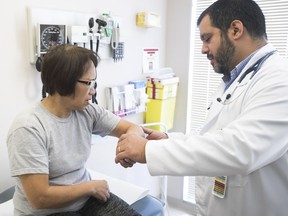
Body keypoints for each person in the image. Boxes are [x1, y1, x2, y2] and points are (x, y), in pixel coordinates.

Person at [115, 0, 288, 215]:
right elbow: (215, 135)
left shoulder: (280, 80)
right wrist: (169, 140)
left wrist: (147, 150)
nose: (203, 49)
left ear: (235, 29)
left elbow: (241, 149)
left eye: (207, 38)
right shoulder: (235, 79)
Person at [7, 44, 163, 216]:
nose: (93, 91)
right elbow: (39, 198)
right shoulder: (29, 128)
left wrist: (128, 145)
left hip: (84, 201)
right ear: (63, 81)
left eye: (93, 83)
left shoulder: (87, 111)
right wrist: (89, 187)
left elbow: (132, 128)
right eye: (88, 83)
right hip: (46, 212)